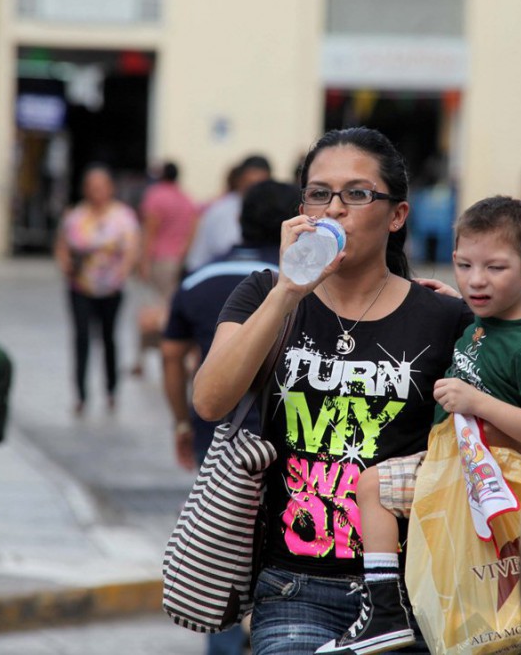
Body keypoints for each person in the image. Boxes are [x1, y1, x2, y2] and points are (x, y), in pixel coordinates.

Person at [192, 127, 473, 655]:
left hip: (414, 589)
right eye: (319, 194)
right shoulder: (263, 293)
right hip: (295, 587)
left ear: (397, 216)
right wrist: (288, 289)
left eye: (357, 193)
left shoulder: (443, 316)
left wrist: (482, 321)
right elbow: (209, 400)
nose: (335, 209)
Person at [318, 196, 521, 655]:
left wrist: (475, 401)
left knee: (375, 486)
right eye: (464, 264)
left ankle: (384, 610)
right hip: (451, 473)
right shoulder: (482, 322)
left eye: (495, 269)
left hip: (486, 484)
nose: (476, 280)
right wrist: (460, 302)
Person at [163, 179, 296, 655]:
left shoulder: (198, 279)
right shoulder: (295, 284)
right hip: (290, 441)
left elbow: (172, 357)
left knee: (222, 545)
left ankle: (223, 646)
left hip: (223, 433)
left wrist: (181, 421)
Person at [54, 164, 140, 414]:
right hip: (80, 285)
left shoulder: (122, 216)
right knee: (81, 338)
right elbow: (62, 246)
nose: (97, 192)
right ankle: (80, 394)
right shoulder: (76, 216)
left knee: (108, 338)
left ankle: (111, 389)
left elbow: (132, 248)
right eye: (92, 187)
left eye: (101, 187)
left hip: (111, 287)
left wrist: (122, 274)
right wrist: (66, 266)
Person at [132, 161, 197, 376]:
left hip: (158, 259)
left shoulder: (155, 196)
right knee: (169, 306)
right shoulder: (185, 199)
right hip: (177, 260)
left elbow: (150, 229)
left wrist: (142, 260)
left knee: (152, 308)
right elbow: (191, 232)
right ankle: (176, 355)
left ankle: (144, 358)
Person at [185, 154, 273, 272]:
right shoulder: (220, 211)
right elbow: (202, 256)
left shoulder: (273, 211)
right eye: (250, 184)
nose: (254, 191)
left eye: (260, 186)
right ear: (240, 181)